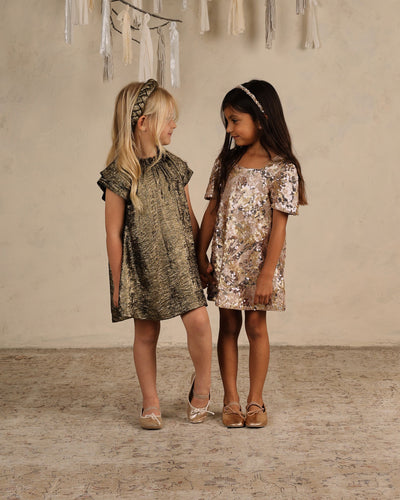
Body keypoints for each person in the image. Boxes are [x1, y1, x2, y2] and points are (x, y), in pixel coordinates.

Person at [97, 79, 213, 430]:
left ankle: (203, 388)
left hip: (181, 262)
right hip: (143, 268)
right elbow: (113, 234)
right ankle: (150, 401)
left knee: (200, 323)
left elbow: (189, 216)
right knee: (146, 334)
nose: (174, 125)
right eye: (168, 119)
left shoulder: (176, 167)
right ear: (142, 123)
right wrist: (118, 283)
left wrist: (201, 257)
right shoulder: (119, 176)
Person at [198, 80, 307, 428]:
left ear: (260, 119)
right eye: (226, 123)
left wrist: (266, 274)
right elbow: (212, 213)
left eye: (234, 121)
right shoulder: (227, 163)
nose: (229, 129)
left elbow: (279, 227)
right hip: (227, 262)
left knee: (256, 326)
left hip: (261, 265)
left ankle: (256, 400)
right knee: (227, 325)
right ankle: (231, 400)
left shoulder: (283, 168)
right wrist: (201, 255)